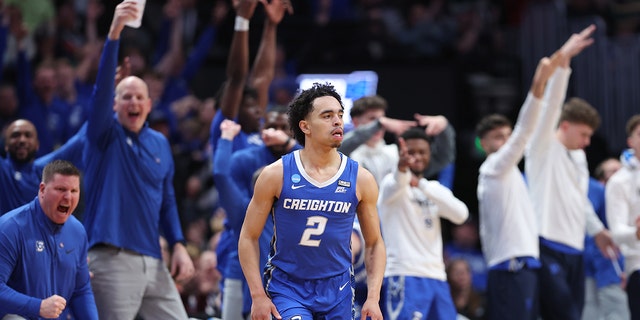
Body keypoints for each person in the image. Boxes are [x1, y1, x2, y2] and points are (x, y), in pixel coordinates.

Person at [81, 2, 194, 318]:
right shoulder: (103, 134)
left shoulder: (160, 142)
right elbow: (102, 89)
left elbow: (168, 200)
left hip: (154, 259)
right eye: (125, 96)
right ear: (114, 105)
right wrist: (114, 33)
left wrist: (179, 243)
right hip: (112, 257)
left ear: (149, 103)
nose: (132, 101)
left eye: (138, 97)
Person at [238, 83, 386, 319]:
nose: (337, 121)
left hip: (337, 290)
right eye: (327, 116)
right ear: (305, 126)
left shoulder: (361, 178)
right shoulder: (276, 174)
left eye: (339, 115)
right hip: (288, 288)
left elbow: (375, 243)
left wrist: (373, 297)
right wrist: (257, 296)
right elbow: (248, 236)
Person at [524, 24, 616, 320]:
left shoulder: (578, 158)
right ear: (564, 126)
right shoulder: (542, 147)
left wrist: (597, 230)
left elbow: (581, 201)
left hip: (576, 249)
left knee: (574, 315)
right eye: (584, 134)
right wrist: (564, 62)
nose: (588, 142)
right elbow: (551, 106)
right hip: (546, 243)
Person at [475, 50, 561, 319]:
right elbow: (525, 130)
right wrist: (538, 85)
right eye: (497, 137)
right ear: (484, 144)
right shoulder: (493, 168)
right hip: (510, 266)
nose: (506, 141)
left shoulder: (511, 173)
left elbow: (532, 129)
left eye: (507, 136)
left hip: (522, 264)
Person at [378, 127, 469, 320]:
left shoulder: (432, 188)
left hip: (438, 277)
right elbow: (397, 181)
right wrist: (402, 168)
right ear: (401, 154)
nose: (416, 157)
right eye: (411, 152)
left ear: (429, 155)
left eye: (422, 152)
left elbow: (461, 214)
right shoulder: (390, 184)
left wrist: (421, 184)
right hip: (405, 275)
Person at [0, 160, 98, 319]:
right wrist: (37, 306)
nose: (68, 197)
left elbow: (81, 290)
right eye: (61, 189)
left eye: (74, 190)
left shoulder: (77, 231)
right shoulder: (11, 227)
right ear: (43, 189)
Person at [0, 119, 84, 215]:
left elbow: (79, 141)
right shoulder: (3, 170)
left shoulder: (45, 169)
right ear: (6, 145)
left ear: (37, 145)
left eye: (28, 135)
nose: (22, 140)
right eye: (16, 135)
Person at [582, 158, 627, 320]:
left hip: (614, 268)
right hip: (585, 267)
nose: (620, 175)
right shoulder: (593, 190)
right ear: (602, 180)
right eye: (614, 171)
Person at [606, 114, 640, 319]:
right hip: (637, 265)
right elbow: (616, 232)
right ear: (631, 141)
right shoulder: (619, 181)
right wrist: (636, 233)